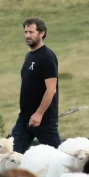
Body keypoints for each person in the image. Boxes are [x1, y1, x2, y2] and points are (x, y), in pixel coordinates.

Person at [12, 17, 60, 153]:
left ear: (42, 33)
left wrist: (38, 114)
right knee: (12, 155)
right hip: (24, 119)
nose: (27, 35)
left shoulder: (47, 57)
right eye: (26, 32)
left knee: (57, 156)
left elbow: (51, 89)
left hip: (43, 120)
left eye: (31, 32)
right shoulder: (29, 56)